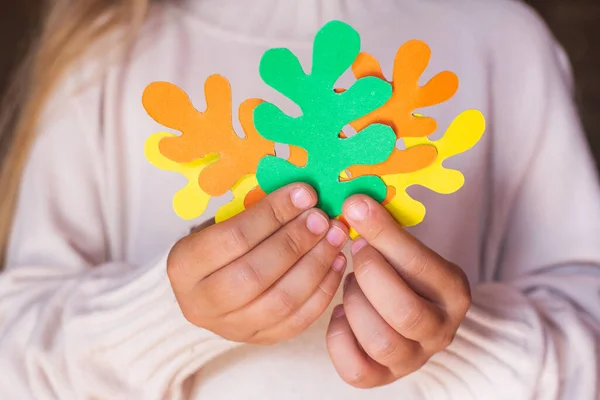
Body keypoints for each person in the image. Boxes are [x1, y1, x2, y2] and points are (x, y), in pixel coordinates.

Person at [1, 0, 599, 398]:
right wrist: (168, 313)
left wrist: (458, 339)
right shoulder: (105, 53)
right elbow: (16, 362)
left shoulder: (502, 35)